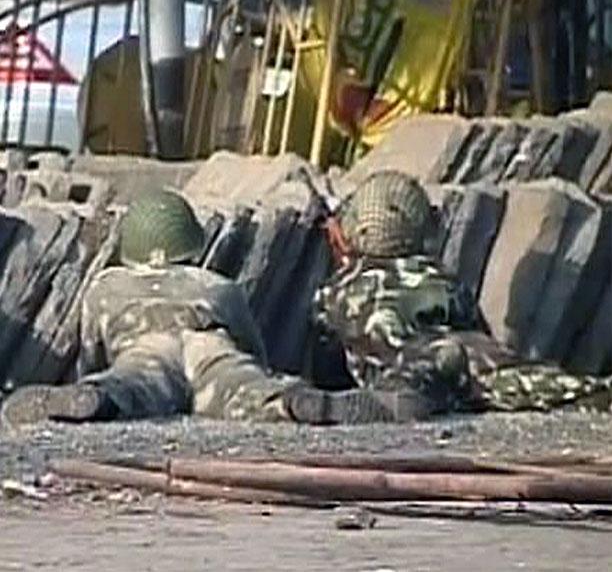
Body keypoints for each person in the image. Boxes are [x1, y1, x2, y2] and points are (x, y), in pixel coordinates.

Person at [1, 188, 405, 428]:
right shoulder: (217, 286)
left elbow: (91, 350)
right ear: (191, 243)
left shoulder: (105, 287)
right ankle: (292, 403)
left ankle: (94, 400)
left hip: (145, 350)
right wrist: (261, 372)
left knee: (130, 387)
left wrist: (91, 381)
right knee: (245, 389)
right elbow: (250, 346)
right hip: (210, 346)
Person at [314, 170, 612, 415]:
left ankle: (402, 399)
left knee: (439, 382)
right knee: (542, 385)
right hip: (484, 357)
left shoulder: (335, 291)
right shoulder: (444, 280)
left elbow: (326, 368)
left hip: (425, 369)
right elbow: (474, 326)